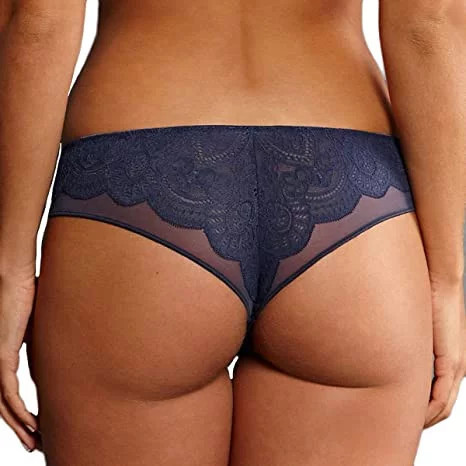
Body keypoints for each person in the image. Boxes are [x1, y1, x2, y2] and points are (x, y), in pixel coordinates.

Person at [0, 0, 465, 464]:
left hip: (138, 185)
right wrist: (447, 280)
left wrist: (11, 268)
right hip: (350, 202)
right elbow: (428, 20)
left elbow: (38, 19)